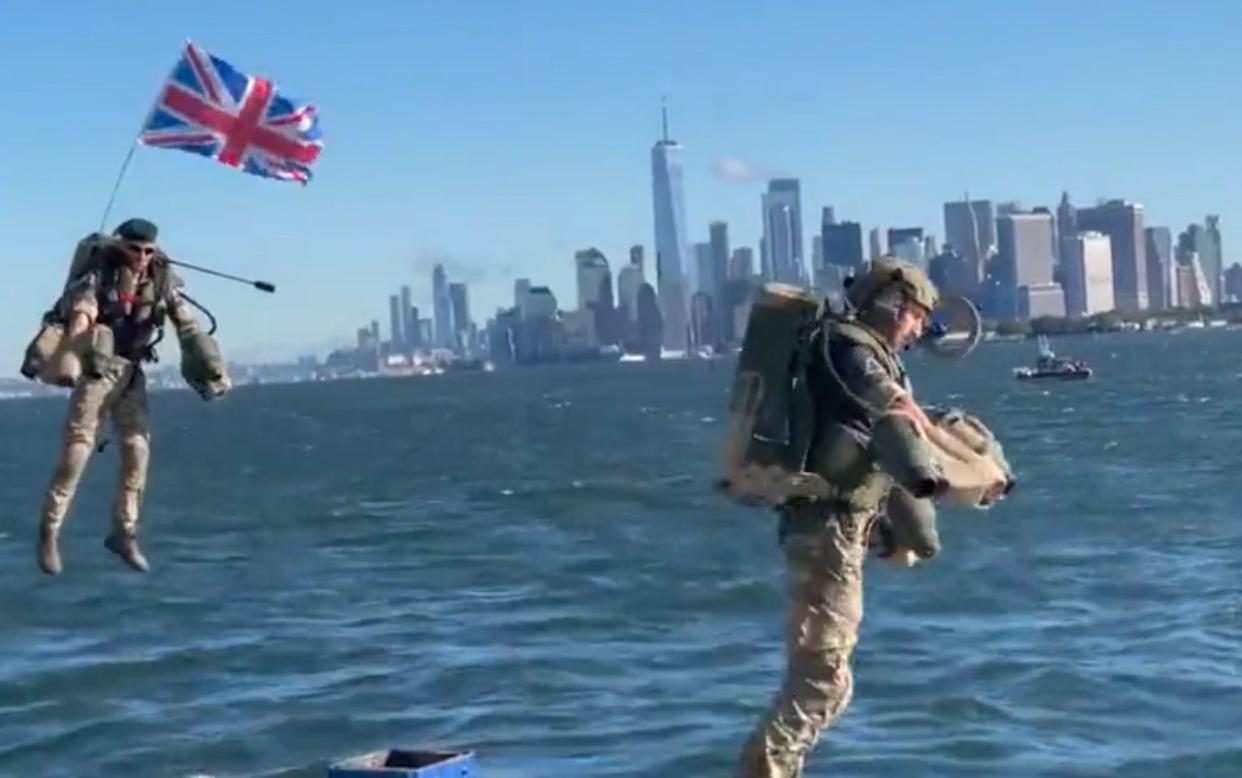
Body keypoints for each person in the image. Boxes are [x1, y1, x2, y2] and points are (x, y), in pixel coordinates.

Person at [734, 256, 963, 777]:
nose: (918, 329)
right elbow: (894, 415)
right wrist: (946, 448)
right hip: (827, 531)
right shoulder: (851, 350)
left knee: (822, 677)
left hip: (831, 527)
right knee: (822, 679)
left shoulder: (842, 347)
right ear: (892, 306)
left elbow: (862, 444)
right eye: (915, 317)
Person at [35, 217, 230, 576]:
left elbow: (184, 320)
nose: (142, 257)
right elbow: (82, 310)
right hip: (97, 371)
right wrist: (71, 348)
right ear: (122, 247)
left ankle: (124, 532)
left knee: (137, 451)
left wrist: (208, 365)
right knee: (76, 454)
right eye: (135, 249)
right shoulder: (98, 275)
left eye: (148, 251)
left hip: (131, 371)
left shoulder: (161, 278)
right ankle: (49, 532)